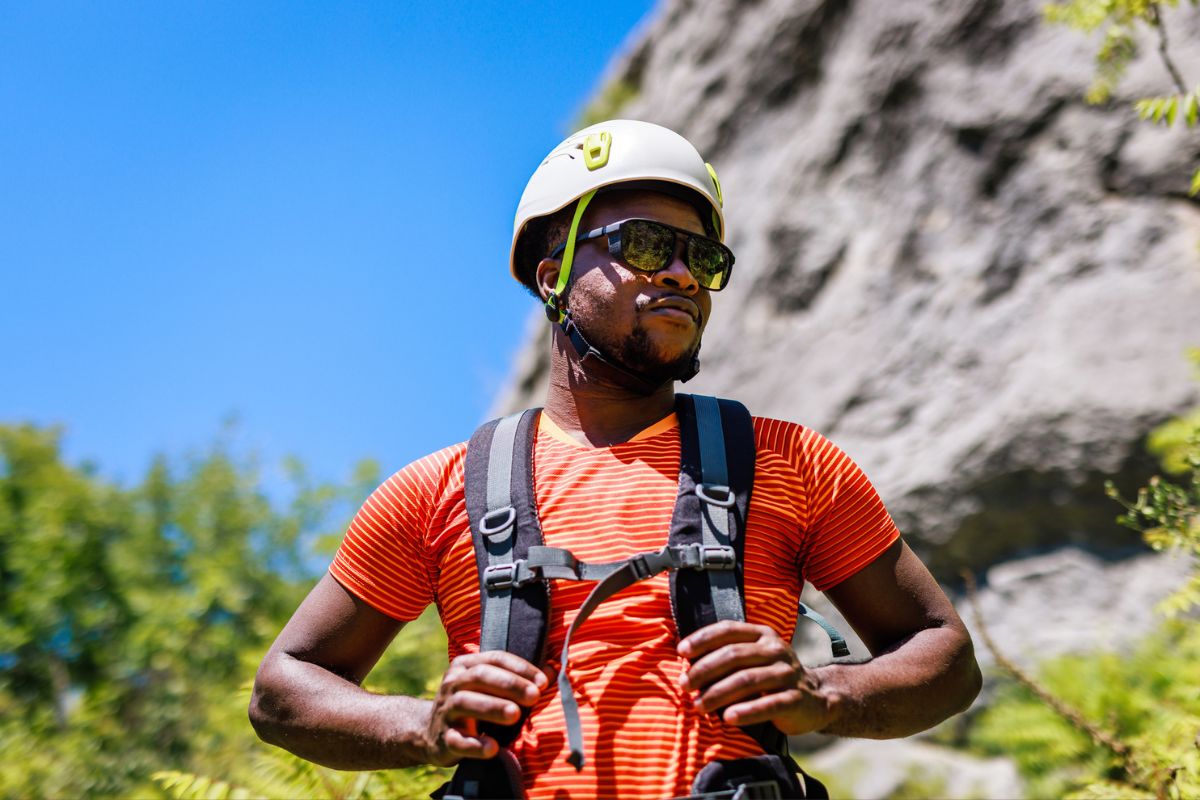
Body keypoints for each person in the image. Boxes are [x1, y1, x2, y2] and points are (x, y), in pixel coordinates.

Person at [249, 119, 982, 799]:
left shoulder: (792, 463)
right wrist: (421, 727)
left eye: (702, 257)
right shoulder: (435, 491)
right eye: (642, 245)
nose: (682, 275)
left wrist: (825, 696)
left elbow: (943, 657)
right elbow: (283, 689)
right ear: (552, 274)